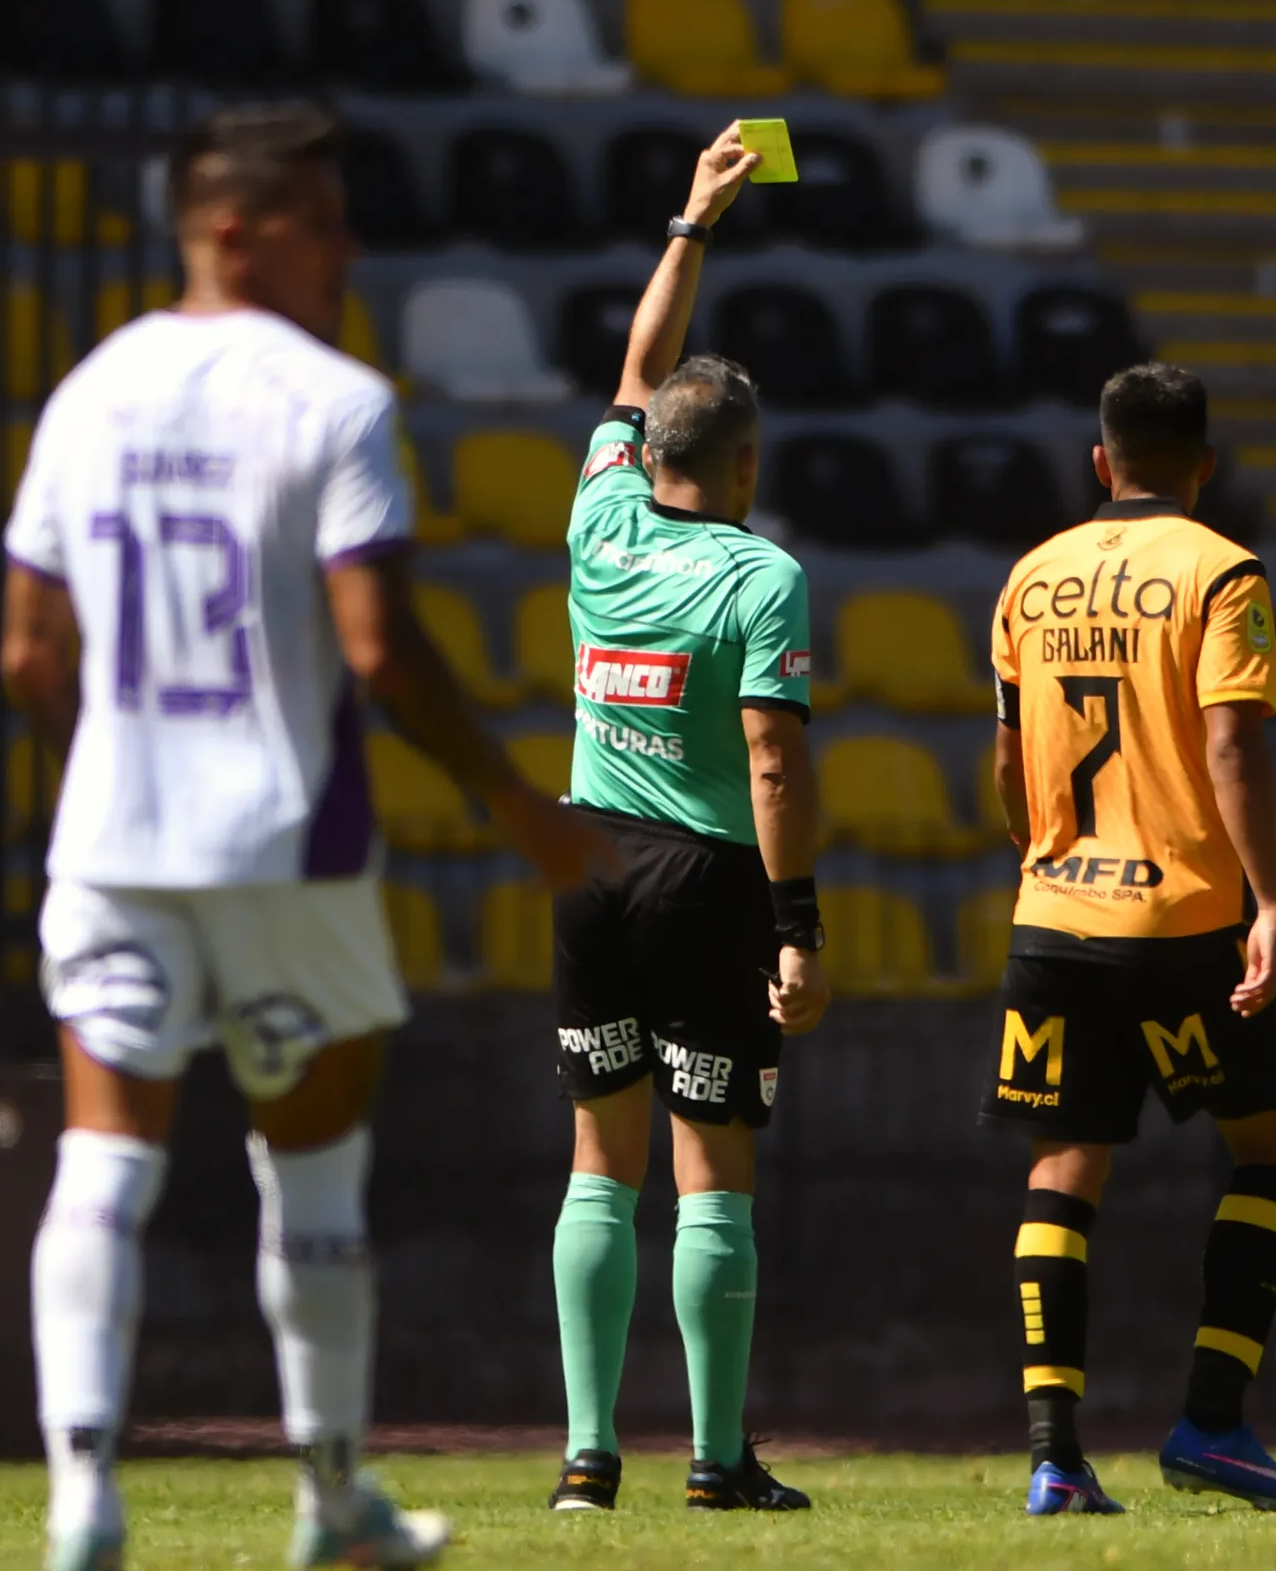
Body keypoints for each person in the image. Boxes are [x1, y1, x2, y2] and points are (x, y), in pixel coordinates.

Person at [0, 102, 611, 1571]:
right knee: (319, 1175)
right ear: (233, 228)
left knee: (103, 1161)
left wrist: (117, 766)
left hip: (113, 848)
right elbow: (381, 646)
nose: (348, 250)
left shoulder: (86, 390)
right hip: (289, 844)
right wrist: (515, 803)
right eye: (321, 223)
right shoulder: (334, 400)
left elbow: (27, 655)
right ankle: (334, 1499)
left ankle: (81, 1500)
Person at [543, 124, 829, 1516]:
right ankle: (717, 1461)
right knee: (710, 1174)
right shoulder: (761, 579)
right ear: (752, 462)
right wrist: (799, 928)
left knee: (600, 1161)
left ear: (648, 451)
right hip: (706, 880)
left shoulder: (598, 521)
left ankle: (588, 1460)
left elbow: (632, 375)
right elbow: (774, 766)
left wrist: (692, 223)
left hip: (587, 859)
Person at [984, 362, 1276, 1516]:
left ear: (1101, 460)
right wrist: (1269, 901)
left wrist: (1044, 859)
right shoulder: (1222, 570)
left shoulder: (1031, 577)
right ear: (1205, 465)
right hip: (1182, 918)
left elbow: (1006, 760)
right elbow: (1232, 748)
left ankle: (1053, 1456)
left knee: (1064, 1167)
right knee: (1275, 1148)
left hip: (1056, 914)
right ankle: (1213, 1422)